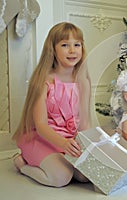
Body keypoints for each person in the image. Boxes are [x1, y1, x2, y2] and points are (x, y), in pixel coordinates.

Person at [12, 22, 92, 187]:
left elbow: (85, 122)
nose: (72, 50)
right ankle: (23, 166)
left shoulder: (83, 81)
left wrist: (88, 146)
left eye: (77, 44)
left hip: (69, 140)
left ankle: (64, 161)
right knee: (61, 177)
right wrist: (62, 143)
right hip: (42, 138)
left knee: (86, 176)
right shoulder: (44, 80)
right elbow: (41, 125)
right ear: (53, 49)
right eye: (65, 45)